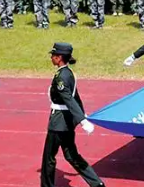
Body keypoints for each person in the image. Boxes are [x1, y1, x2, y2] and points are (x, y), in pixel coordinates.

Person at [40, 42, 105, 187]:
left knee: (48, 158)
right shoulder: (68, 73)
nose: (51, 58)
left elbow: (68, 98)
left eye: (53, 56)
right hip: (68, 121)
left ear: (60, 58)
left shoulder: (61, 77)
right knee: (72, 155)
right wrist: (81, 114)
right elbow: (76, 96)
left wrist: (82, 119)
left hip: (58, 122)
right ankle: (97, 184)